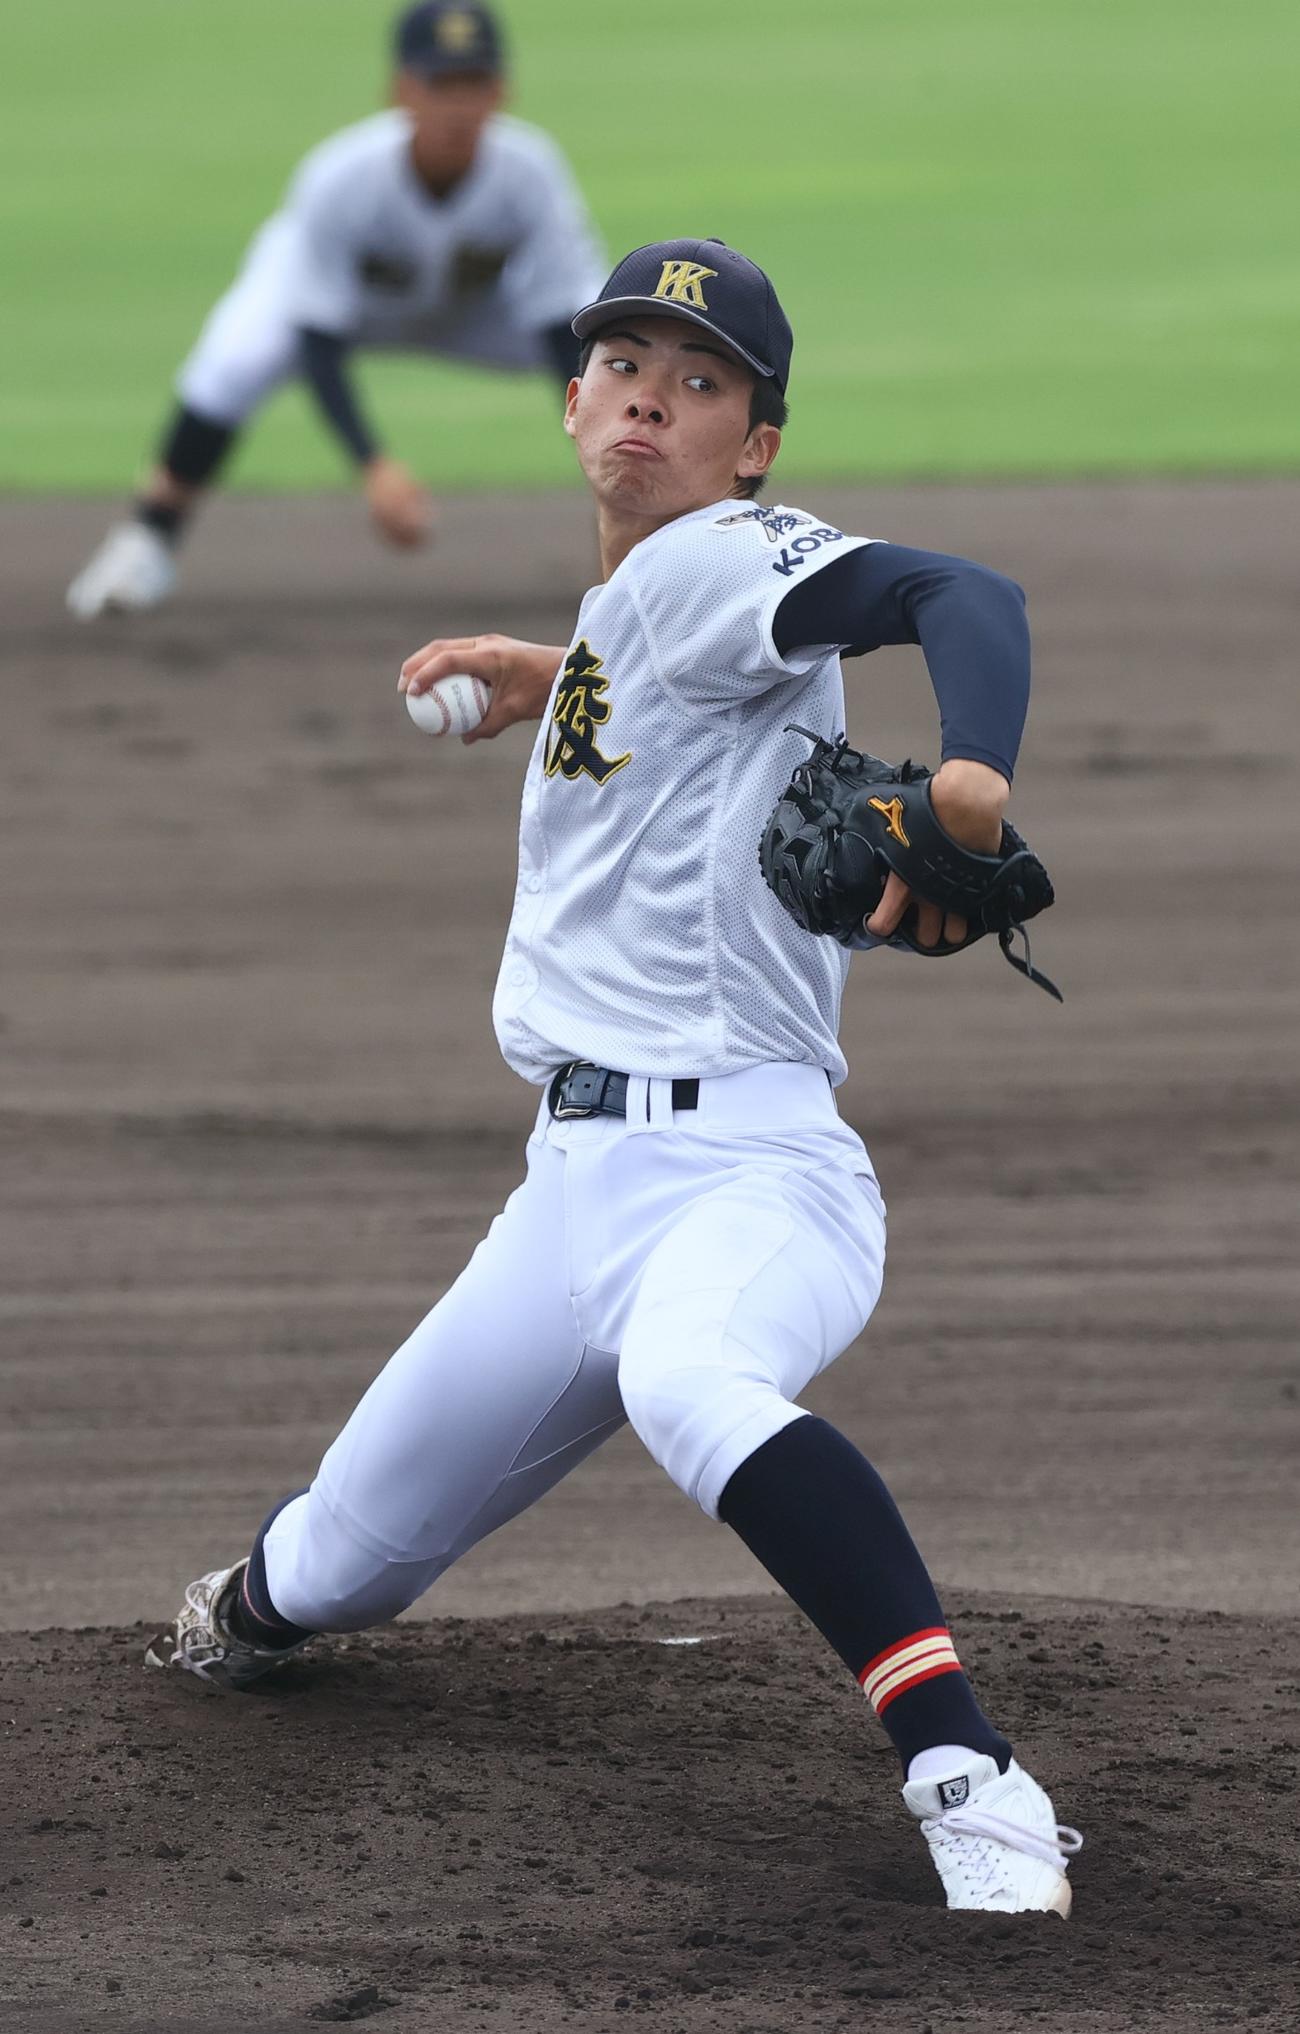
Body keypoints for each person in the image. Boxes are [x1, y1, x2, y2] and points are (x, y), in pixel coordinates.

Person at [145, 237, 1083, 1916]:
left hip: (750, 1176)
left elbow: (967, 596)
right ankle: (253, 1610)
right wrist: (552, 678)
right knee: (333, 1561)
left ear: (758, 444)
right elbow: (663, 683)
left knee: (691, 1375)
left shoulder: (714, 556)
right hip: (568, 1198)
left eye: (702, 378)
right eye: (623, 362)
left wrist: (970, 783)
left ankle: (968, 1764)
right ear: (574, 396)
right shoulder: (634, 607)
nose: (652, 391)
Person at [67, 1, 604, 618]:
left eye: (475, 83)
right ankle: (148, 536)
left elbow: (564, 334)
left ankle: (642, 537)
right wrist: (373, 466)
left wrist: (602, 477)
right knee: (238, 358)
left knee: (603, 346)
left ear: (501, 89)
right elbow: (316, 338)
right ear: (402, 90)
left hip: (471, 315)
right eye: (441, 84)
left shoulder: (530, 172)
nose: (459, 105)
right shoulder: (342, 176)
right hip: (337, 310)